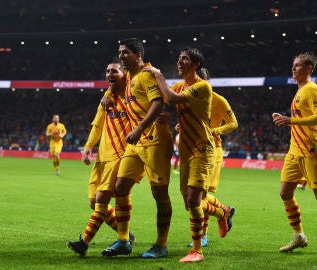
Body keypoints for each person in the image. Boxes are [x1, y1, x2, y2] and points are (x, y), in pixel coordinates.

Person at [144, 47, 234, 263]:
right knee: (191, 203)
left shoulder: (202, 87)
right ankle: (223, 212)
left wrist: (158, 74)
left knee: (194, 201)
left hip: (203, 149)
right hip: (185, 151)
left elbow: (172, 98)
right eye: (179, 58)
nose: (180, 62)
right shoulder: (179, 85)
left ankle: (197, 250)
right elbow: (160, 98)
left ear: (197, 65)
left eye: (185, 59)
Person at [101, 38, 173, 258]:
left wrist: (140, 127)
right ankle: (123, 240)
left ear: (138, 54)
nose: (121, 56)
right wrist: (107, 93)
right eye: (120, 52)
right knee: (120, 188)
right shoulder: (130, 76)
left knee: (159, 194)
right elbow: (117, 85)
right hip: (135, 143)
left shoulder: (148, 74)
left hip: (154, 141)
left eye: (125, 53)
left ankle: (161, 244)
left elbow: (158, 103)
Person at [66, 61, 135, 256]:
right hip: (102, 157)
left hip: (119, 155)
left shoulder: (131, 97)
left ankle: (84, 243)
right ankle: (126, 236)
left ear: (124, 74)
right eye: (107, 71)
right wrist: (88, 147)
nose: (109, 74)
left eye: (114, 71)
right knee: (93, 203)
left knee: (102, 199)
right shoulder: (107, 100)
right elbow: (97, 126)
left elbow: (134, 77)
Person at [187, 68, 238, 247]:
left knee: (200, 196)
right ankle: (224, 211)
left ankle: (203, 235)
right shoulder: (191, 99)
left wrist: (216, 130)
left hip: (212, 149)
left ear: (206, 80)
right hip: (193, 149)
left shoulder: (218, 100)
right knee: (197, 196)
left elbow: (234, 123)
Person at [272, 52, 317, 252]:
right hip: (294, 151)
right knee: (285, 192)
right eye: (293, 65)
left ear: (309, 68)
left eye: (298, 65)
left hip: (311, 150)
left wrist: (290, 120)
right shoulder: (299, 91)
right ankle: (299, 236)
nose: (294, 68)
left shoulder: (312, 90)